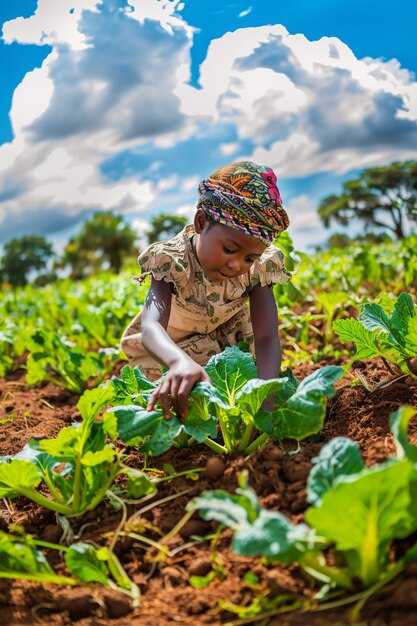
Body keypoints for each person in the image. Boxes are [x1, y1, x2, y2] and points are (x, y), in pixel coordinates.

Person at [121, 160, 291, 419]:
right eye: (230, 249)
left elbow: (267, 337)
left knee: (242, 389)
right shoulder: (172, 260)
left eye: (249, 258)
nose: (237, 264)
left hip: (231, 346)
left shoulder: (260, 269)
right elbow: (151, 328)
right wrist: (178, 362)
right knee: (180, 403)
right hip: (172, 349)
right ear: (201, 222)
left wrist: (265, 401)